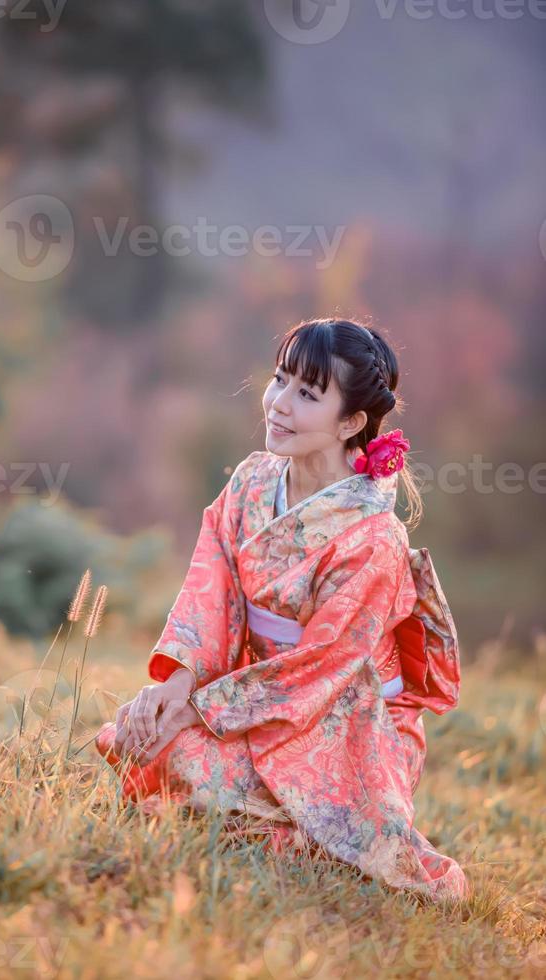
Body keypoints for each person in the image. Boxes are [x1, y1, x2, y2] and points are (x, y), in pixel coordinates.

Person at [95, 317, 469, 905]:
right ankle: (268, 823)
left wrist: (197, 711)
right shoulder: (251, 480)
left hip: (349, 722)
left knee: (188, 755)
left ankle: (309, 835)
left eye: (308, 394)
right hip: (251, 699)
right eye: (280, 379)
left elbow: (318, 671)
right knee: (137, 739)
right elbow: (210, 594)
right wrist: (180, 686)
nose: (279, 404)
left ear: (351, 422)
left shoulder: (372, 540)